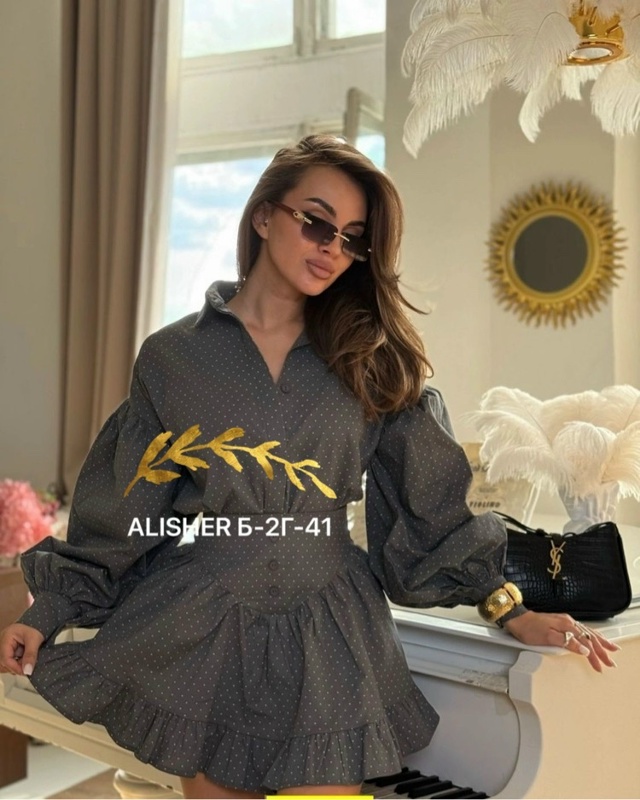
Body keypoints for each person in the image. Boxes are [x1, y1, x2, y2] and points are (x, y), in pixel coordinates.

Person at [0, 135, 619, 799]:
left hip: (332, 635)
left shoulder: (373, 358)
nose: (332, 248)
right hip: (202, 630)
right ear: (264, 216)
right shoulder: (173, 358)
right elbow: (123, 514)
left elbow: (431, 510)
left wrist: (509, 609)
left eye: (352, 239)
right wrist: (46, 611)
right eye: (317, 223)